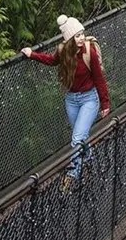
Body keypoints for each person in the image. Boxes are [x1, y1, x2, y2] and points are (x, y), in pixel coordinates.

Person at [21, 15, 111, 188]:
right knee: (81, 137)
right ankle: (89, 160)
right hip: (71, 100)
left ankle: (72, 175)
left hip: (89, 99)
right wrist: (32, 54)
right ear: (69, 38)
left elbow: (99, 78)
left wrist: (105, 103)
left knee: (77, 138)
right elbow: (51, 61)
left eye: (82, 34)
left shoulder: (89, 51)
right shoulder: (63, 51)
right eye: (77, 36)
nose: (81, 38)